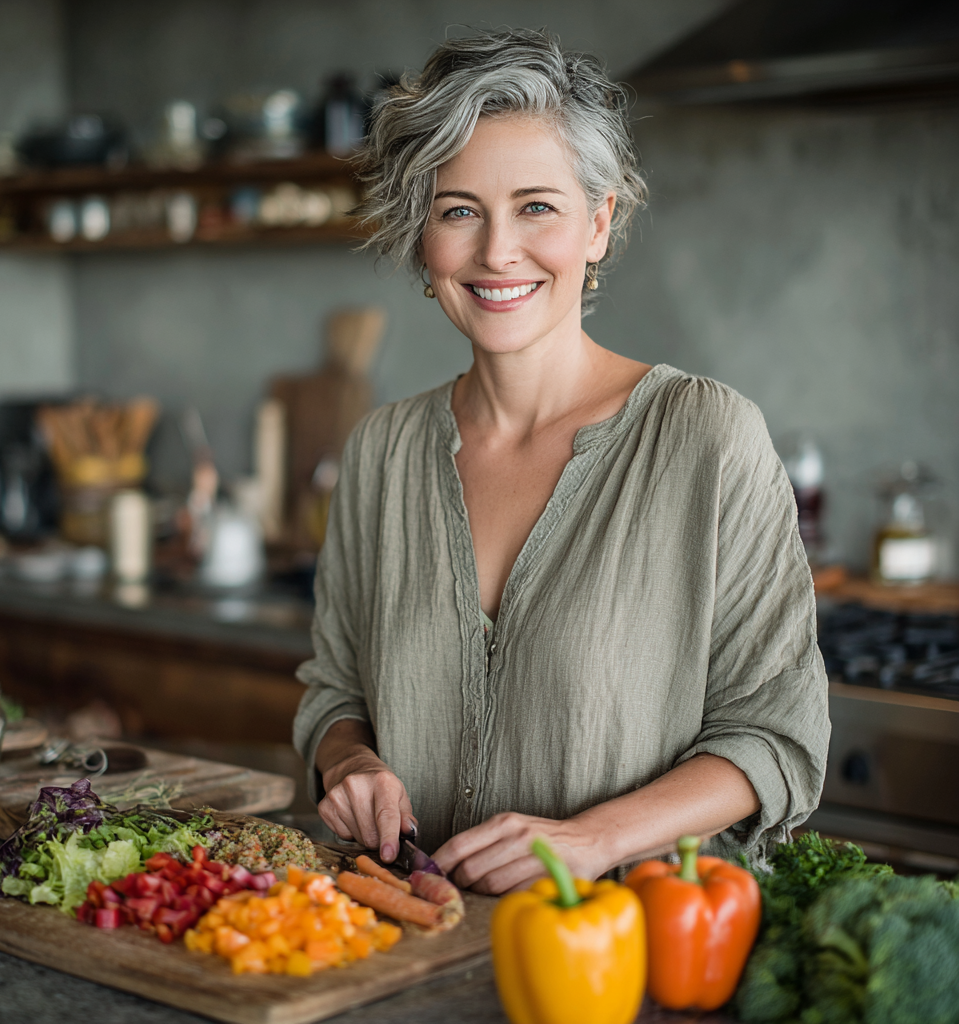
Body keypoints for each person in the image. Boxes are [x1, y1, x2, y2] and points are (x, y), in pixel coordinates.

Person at [293, 28, 830, 895]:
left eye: (536, 206)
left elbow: (775, 738)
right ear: (422, 240)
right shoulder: (382, 452)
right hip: (399, 953)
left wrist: (590, 840)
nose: (497, 251)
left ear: (600, 221)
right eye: (458, 210)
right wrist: (349, 761)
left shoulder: (707, 439)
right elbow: (332, 692)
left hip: (617, 958)